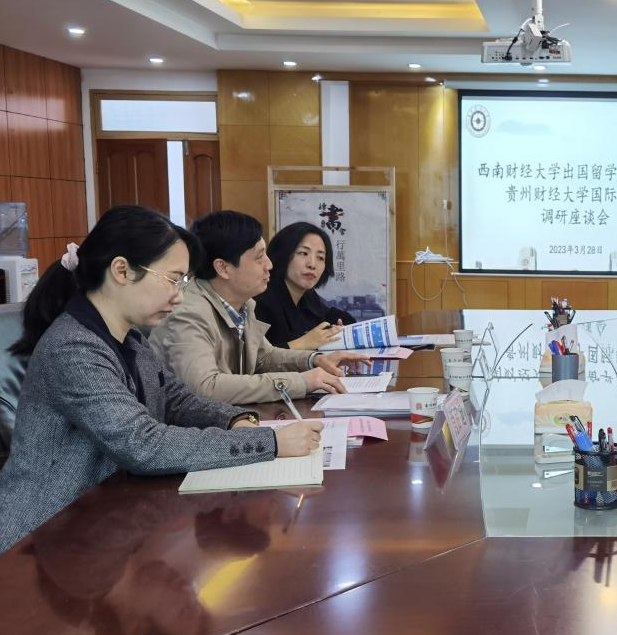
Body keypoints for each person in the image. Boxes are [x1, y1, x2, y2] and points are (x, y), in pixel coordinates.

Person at [0, 206, 324, 554]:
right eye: (173, 279)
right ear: (122, 271)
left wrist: (234, 420)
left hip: (99, 523)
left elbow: (175, 398)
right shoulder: (74, 348)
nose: (179, 296)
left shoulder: (128, 339)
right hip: (41, 538)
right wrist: (268, 443)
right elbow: (142, 444)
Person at [149, 211, 368, 405]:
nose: (269, 265)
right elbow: (205, 387)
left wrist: (315, 360)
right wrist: (301, 382)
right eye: (259, 257)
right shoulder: (189, 313)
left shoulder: (243, 304)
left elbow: (264, 356)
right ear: (223, 268)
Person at [254, 222, 355, 350]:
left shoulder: (308, 295)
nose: (312, 264)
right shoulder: (261, 299)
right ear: (283, 254)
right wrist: (305, 342)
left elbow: (331, 316)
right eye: (303, 253)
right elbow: (257, 358)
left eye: (320, 258)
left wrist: (339, 329)